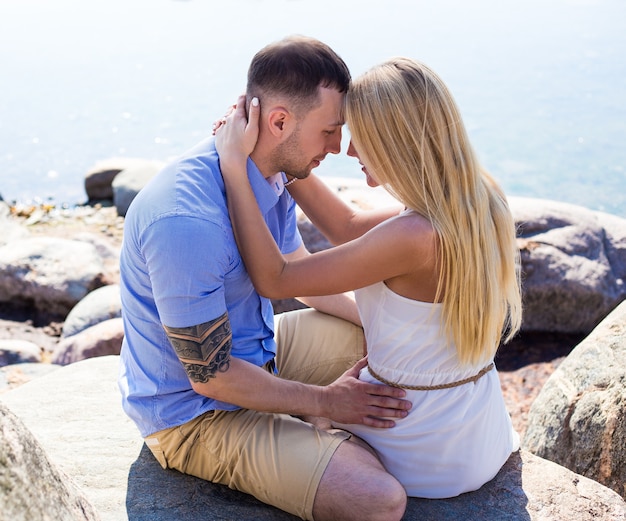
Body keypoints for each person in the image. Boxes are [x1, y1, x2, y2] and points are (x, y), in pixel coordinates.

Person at [118, 36, 412, 521]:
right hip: (197, 415)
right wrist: (327, 403)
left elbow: (293, 270)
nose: (338, 147)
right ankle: (313, 432)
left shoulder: (272, 171)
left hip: (259, 352)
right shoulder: (185, 220)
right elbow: (210, 376)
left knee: (382, 339)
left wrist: (382, 323)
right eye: (329, 131)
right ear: (279, 121)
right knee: (379, 500)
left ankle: (308, 427)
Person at [216, 56, 523, 499]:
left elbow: (276, 280)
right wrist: (282, 152)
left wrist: (235, 164)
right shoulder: (478, 198)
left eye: (361, 136)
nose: (349, 150)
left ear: (396, 142)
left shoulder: (414, 236)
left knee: (262, 420)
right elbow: (347, 226)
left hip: (417, 443)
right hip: (473, 434)